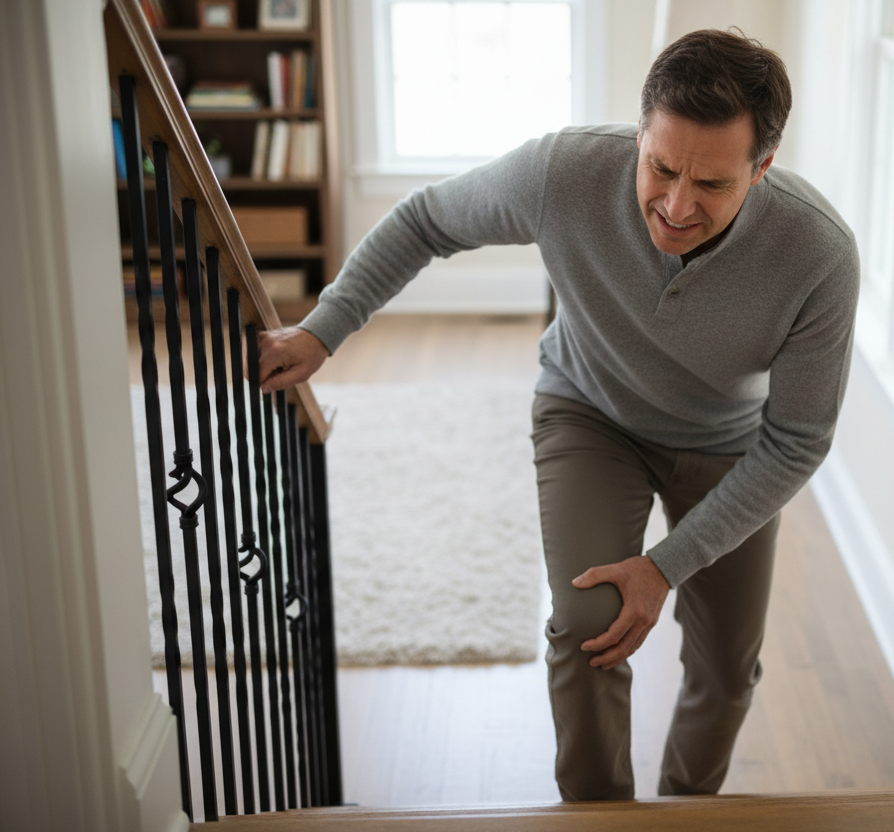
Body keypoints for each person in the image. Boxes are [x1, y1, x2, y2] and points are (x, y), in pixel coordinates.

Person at [256, 28, 859, 801]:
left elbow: (798, 441)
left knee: (726, 668)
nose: (676, 205)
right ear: (639, 134)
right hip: (591, 414)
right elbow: (425, 220)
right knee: (585, 629)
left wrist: (664, 565)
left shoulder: (818, 255)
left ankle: (685, 813)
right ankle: (600, 819)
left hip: (730, 448)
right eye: (661, 167)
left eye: (711, 185)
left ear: (762, 168)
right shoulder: (565, 171)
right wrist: (324, 327)